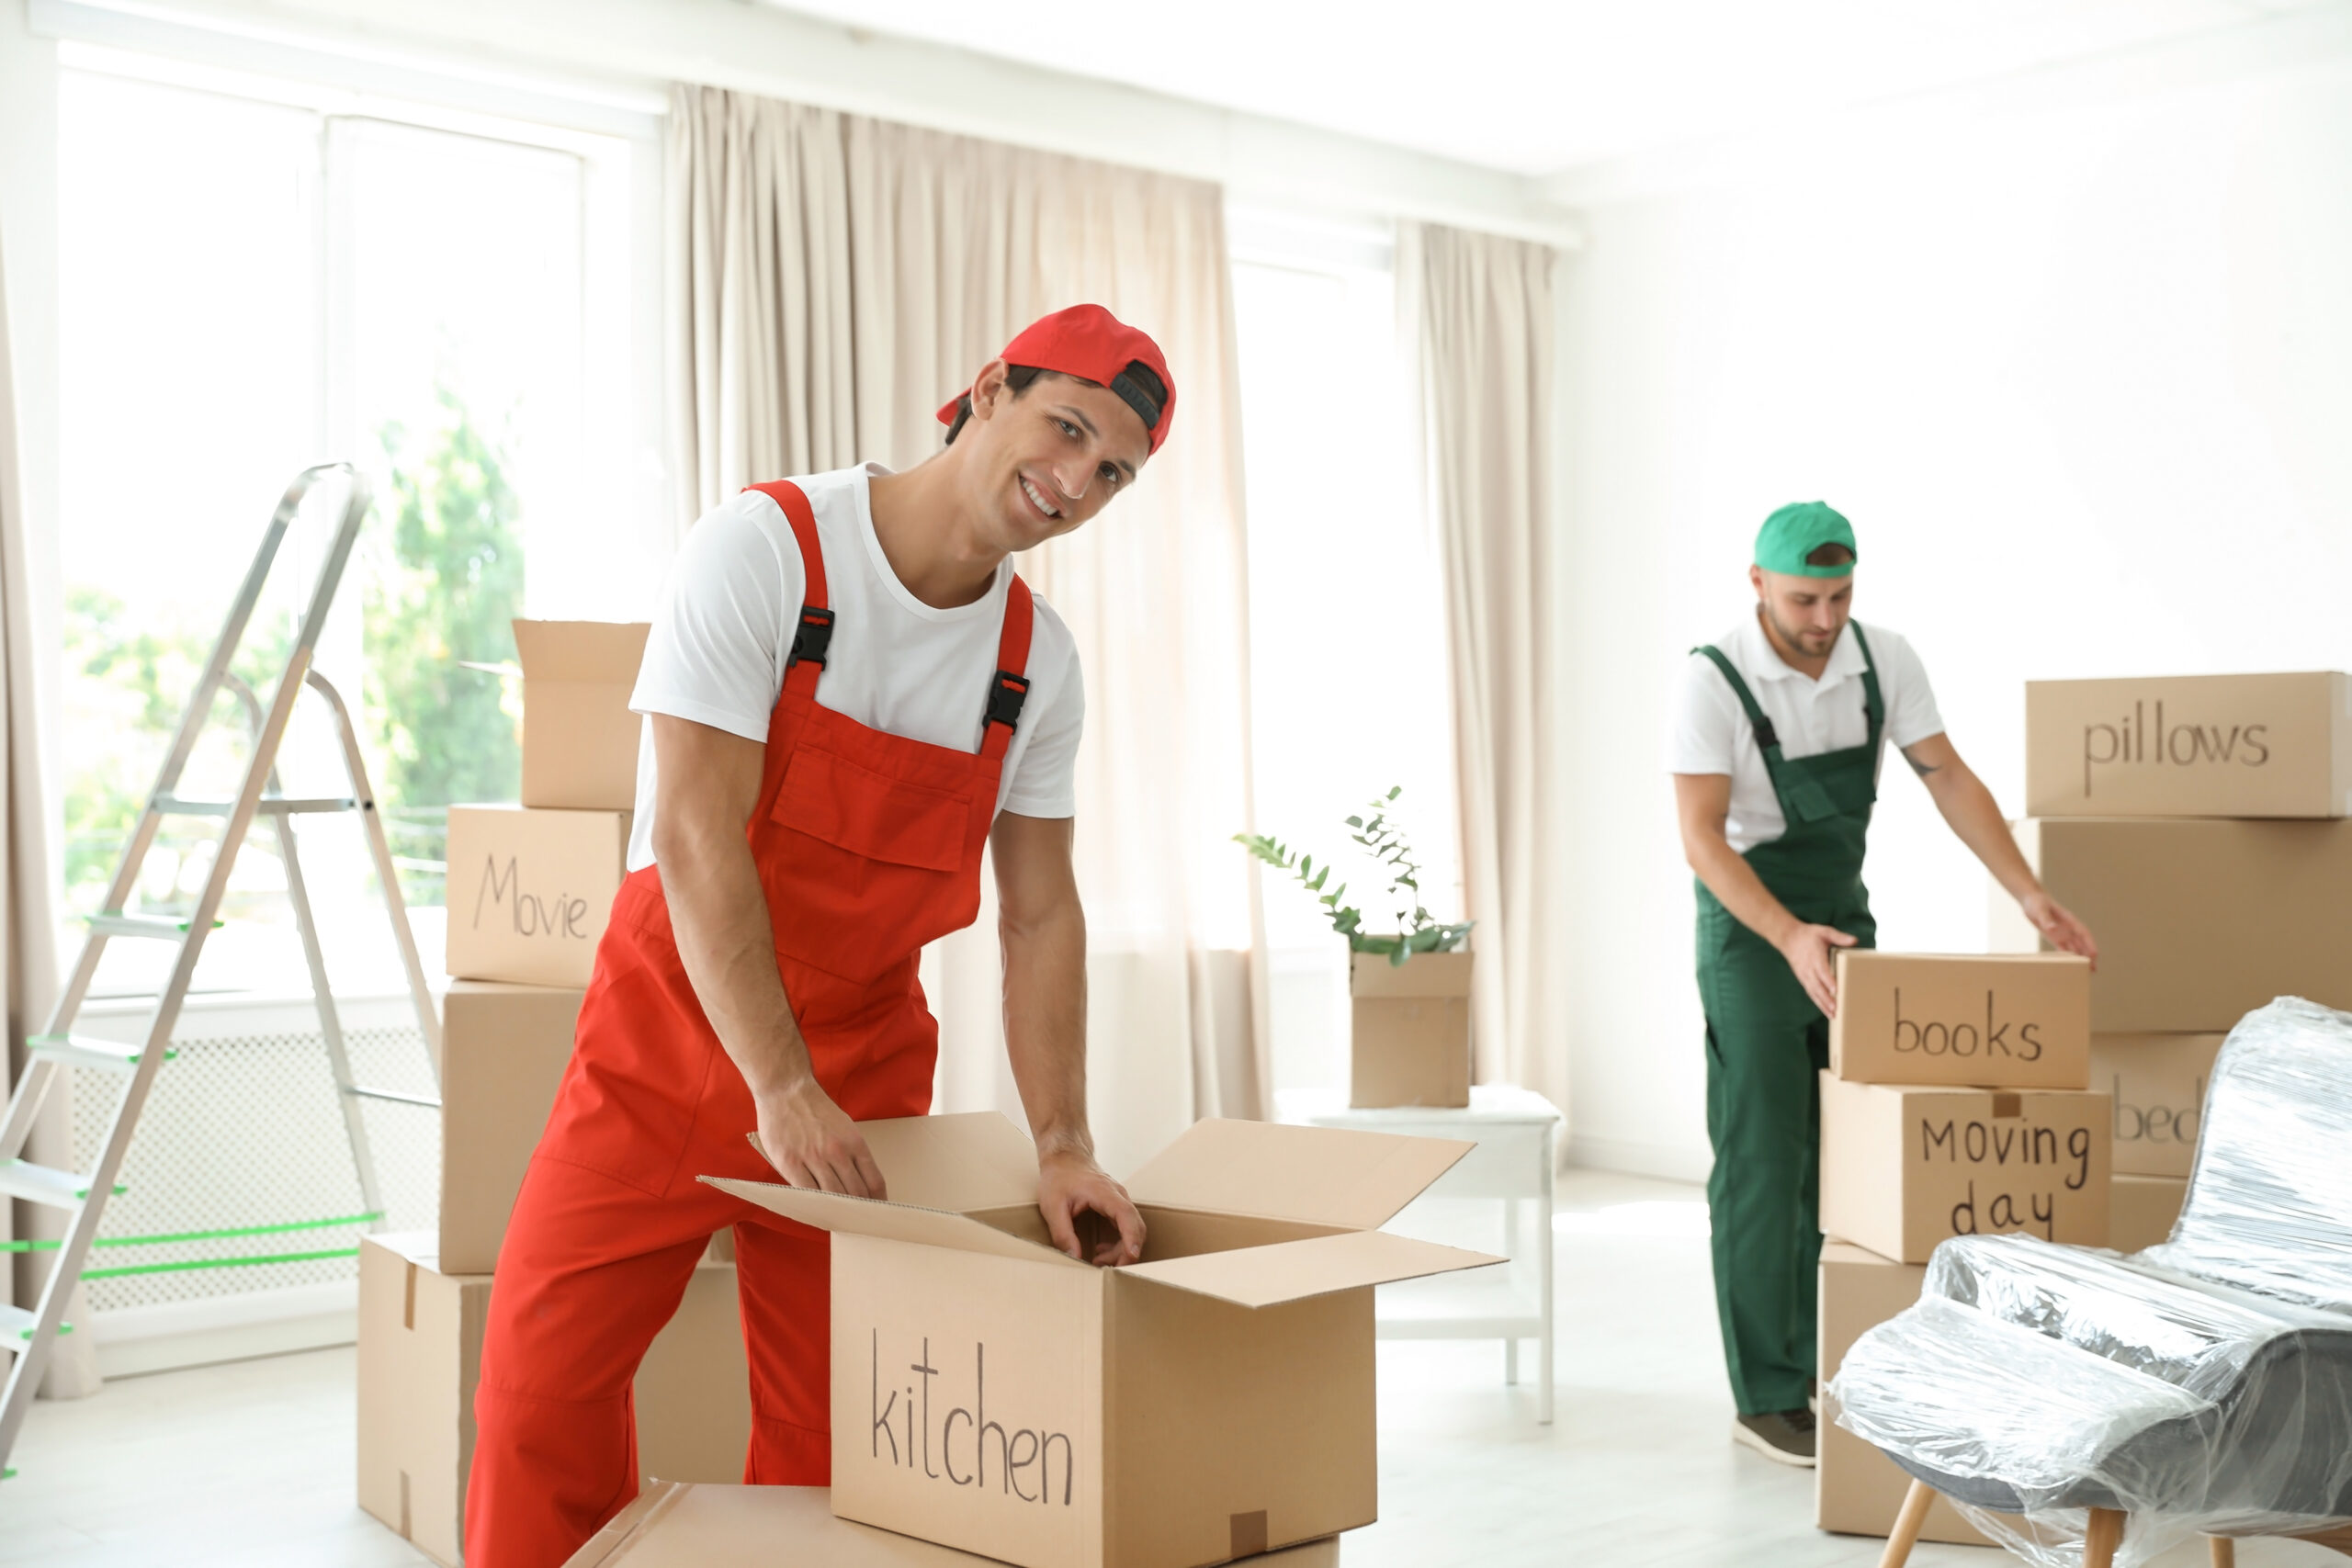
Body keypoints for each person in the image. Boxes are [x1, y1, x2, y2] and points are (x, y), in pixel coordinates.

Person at [466, 304, 1171, 1565]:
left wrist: (1065, 1143)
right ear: (989, 386)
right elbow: (692, 831)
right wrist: (774, 1082)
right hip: (664, 1035)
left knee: (844, 1424)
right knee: (540, 1387)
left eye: (1114, 469)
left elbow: (1040, 908)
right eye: (1067, 429)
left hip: (866, 1072)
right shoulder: (772, 548)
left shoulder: (1035, 662)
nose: (1078, 481)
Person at [1667, 502, 2098, 1468]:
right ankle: (1767, 1394)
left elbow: (1947, 777)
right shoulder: (1715, 679)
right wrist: (1785, 937)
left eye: (1839, 595)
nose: (1823, 619)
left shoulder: (1882, 658)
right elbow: (1699, 837)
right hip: (1750, 933)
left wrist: (2028, 895)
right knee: (1762, 1161)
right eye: (1803, 599)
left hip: (1844, 926)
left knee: (1846, 1156)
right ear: (1756, 584)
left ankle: (1840, 1369)